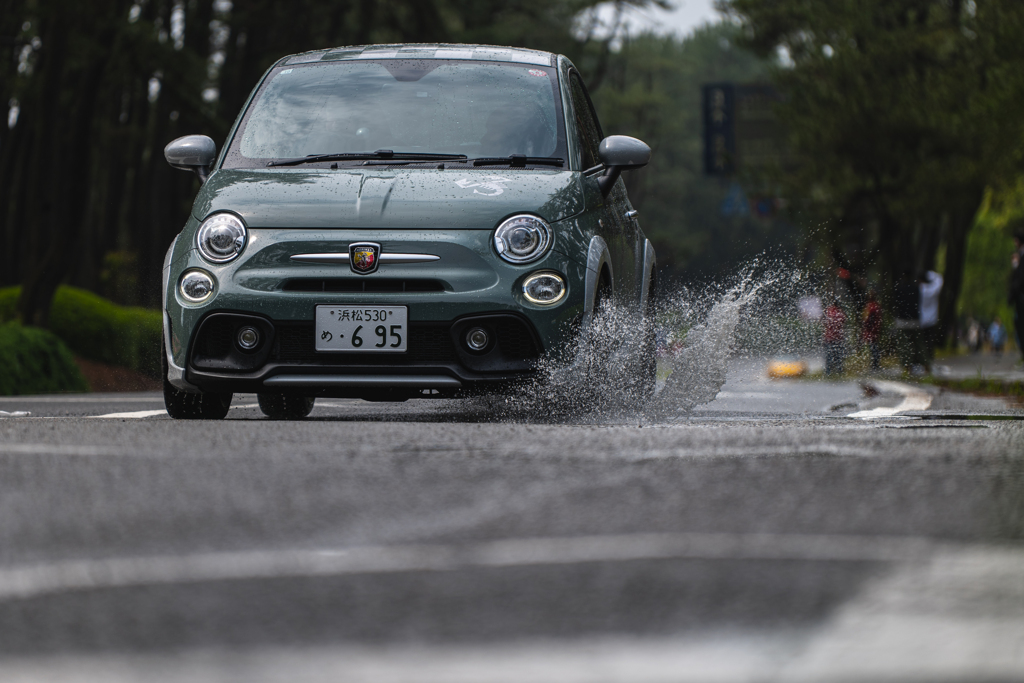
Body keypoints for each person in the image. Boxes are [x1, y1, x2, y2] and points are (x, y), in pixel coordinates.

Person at [918, 270, 943, 373]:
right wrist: (930, 273)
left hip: (921, 321)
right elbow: (940, 279)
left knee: (922, 343)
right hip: (932, 321)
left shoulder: (919, 289)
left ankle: (922, 363)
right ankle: (929, 363)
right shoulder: (933, 289)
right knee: (930, 343)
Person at [1010, 230, 1024, 359]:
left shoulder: (1021, 257)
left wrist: (1015, 265)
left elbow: (1019, 278)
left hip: (1021, 297)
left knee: (1020, 324)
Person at [861, 289, 882, 371]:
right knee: (874, 348)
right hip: (875, 329)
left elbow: (866, 320)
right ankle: (875, 365)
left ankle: (874, 366)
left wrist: (865, 328)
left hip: (870, 330)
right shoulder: (877, 306)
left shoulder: (870, 307)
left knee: (872, 348)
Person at [824, 299, 846, 376]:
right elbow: (843, 321)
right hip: (838, 337)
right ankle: (839, 371)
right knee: (838, 355)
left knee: (829, 356)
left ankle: (828, 372)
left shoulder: (828, 311)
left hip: (829, 337)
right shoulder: (840, 313)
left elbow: (824, 322)